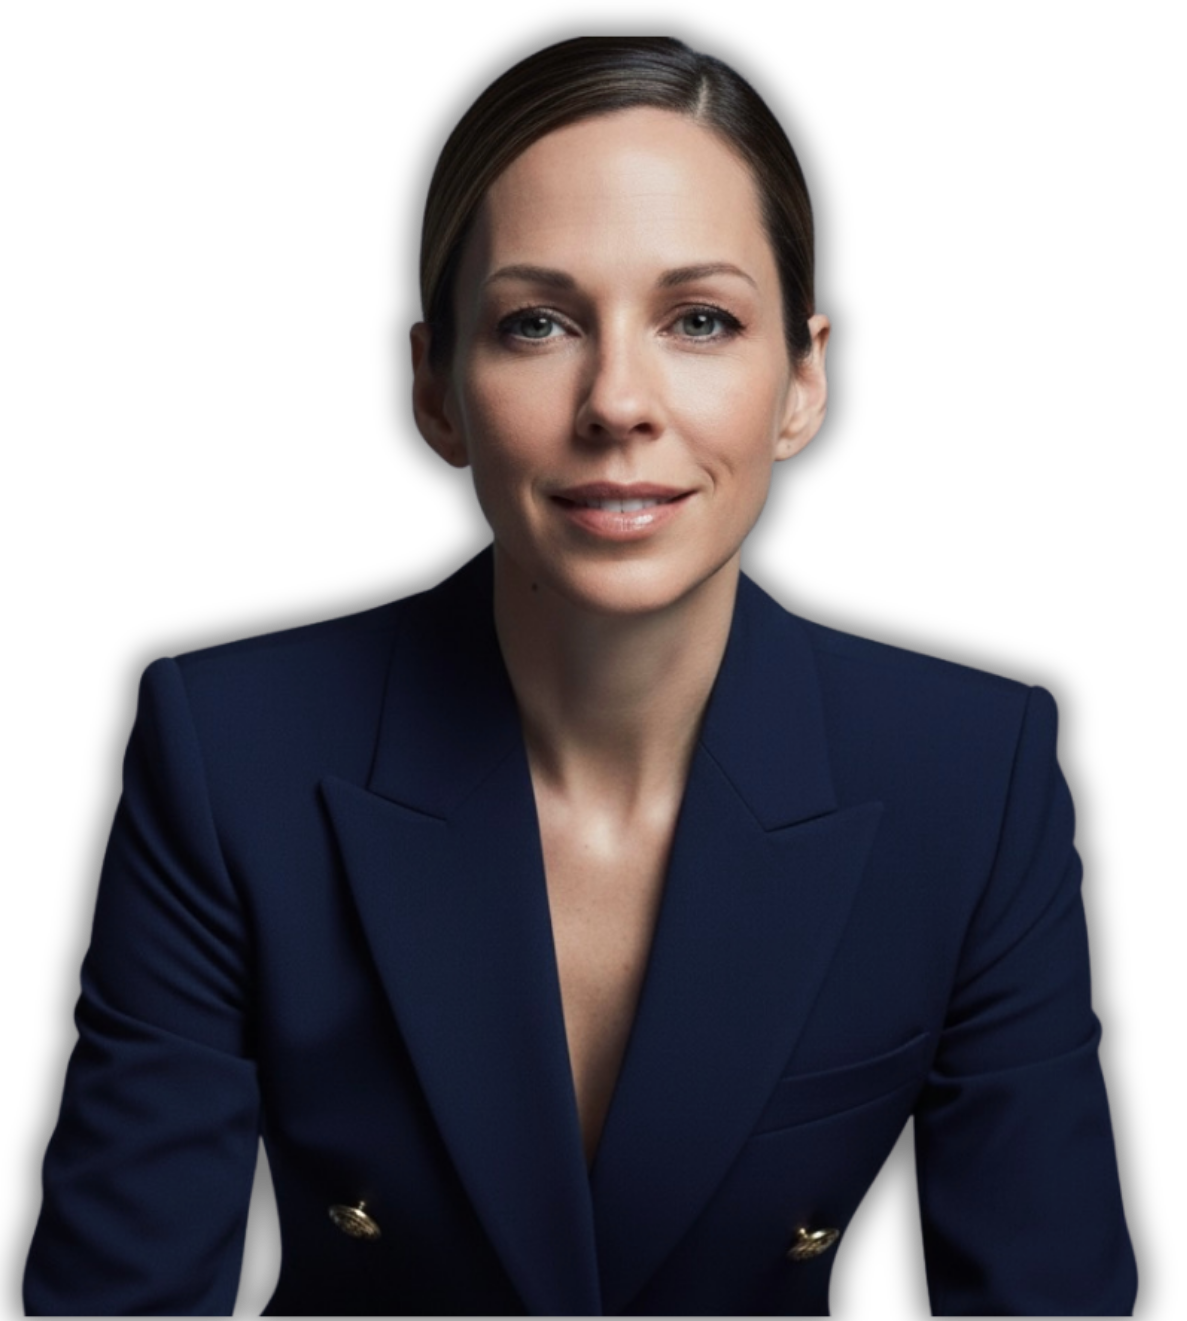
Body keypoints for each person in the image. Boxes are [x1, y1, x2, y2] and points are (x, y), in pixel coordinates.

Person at [25, 35, 1137, 1316]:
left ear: (802, 381)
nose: (616, 401)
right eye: (536, 323)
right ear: (436, 391)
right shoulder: (227, 753)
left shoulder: (972, 778)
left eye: (699, 320)